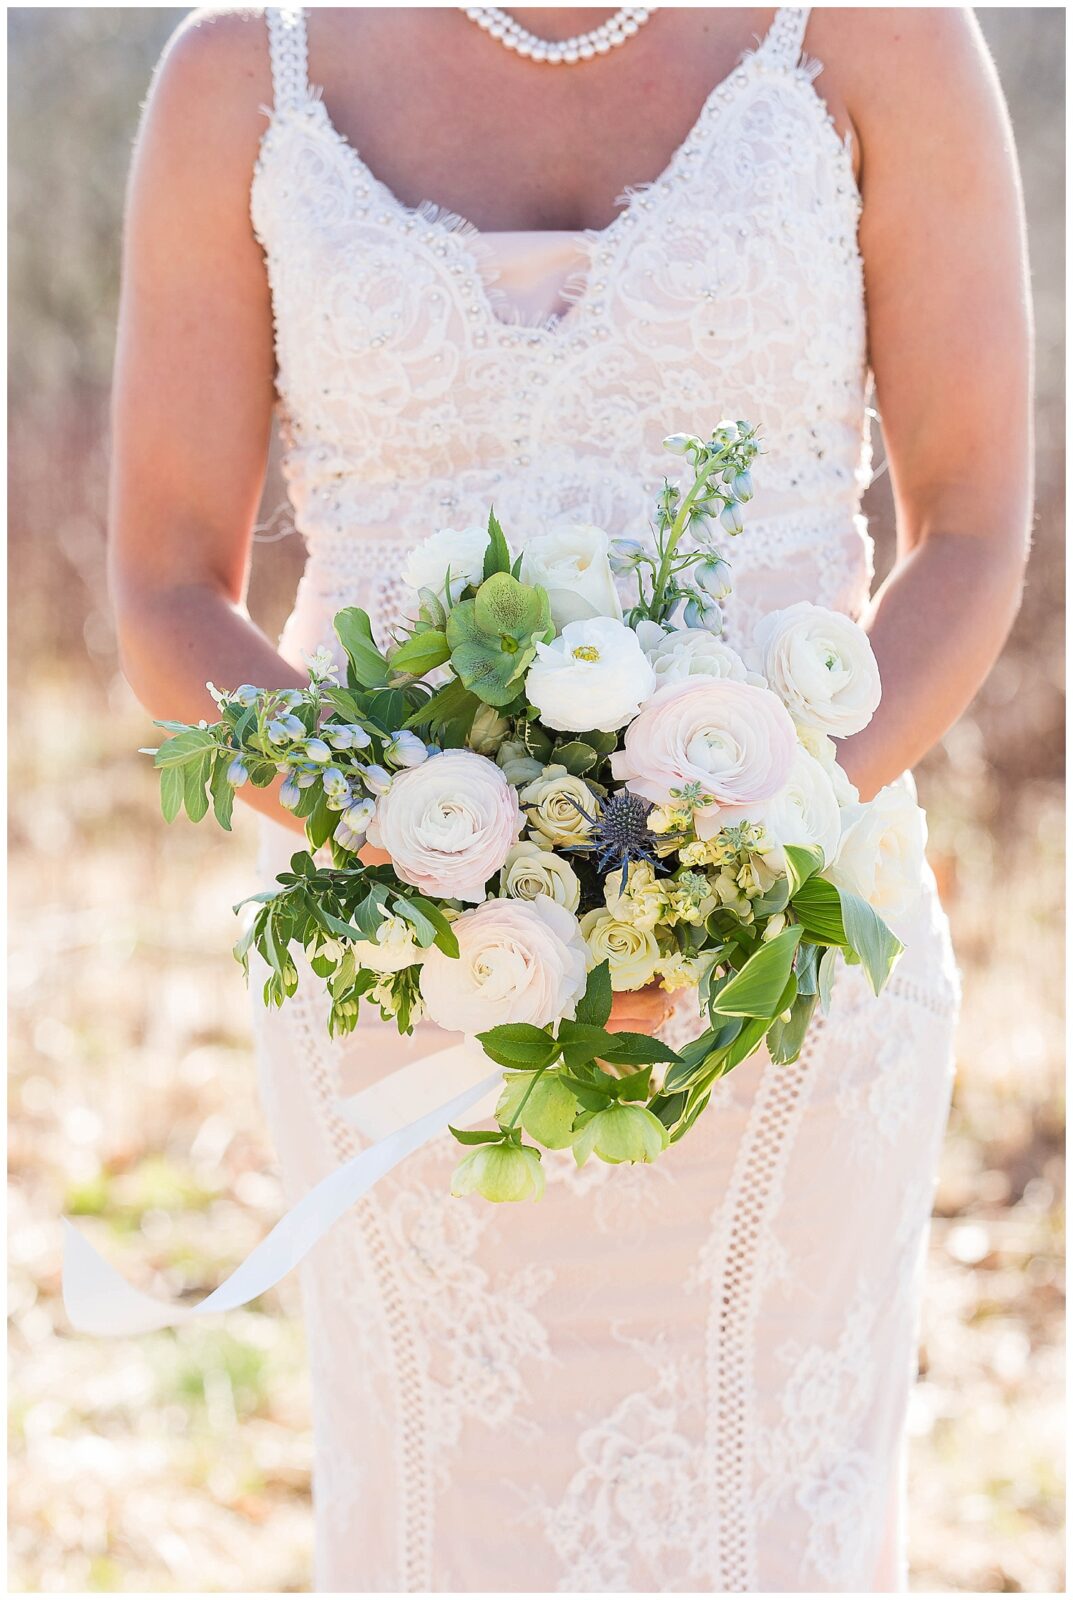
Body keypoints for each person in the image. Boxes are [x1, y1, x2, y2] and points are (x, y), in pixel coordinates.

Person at [108, 6, 1031, 1590]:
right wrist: (415, 846)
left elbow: (971, 526)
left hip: (778, 978)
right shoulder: (237, 76)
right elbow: (163, 592)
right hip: (410, 977)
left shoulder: (874, 37)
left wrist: (750, 852)